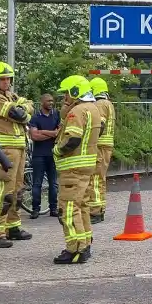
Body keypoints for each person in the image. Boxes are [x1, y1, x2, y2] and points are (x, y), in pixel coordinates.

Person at [0, 62, 35, 248]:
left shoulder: (10, 96)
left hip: (19, 148)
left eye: (8, 79)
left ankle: (13, 226)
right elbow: (19, 114)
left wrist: (23, 108)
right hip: (5, 149)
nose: (6, 82)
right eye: (2, 79)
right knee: (5, 191)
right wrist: (22, 109)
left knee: (18, 189)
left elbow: (30, 106)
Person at [53, 75, 101, 265]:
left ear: (75, 91)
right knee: (82, 206)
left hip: (73, 167)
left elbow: (72, 139)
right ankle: (86, 243)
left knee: (69, 208)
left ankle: (74, 249)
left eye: (66, 93)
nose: (65, 97)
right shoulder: (94, 109)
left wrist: (57, 150)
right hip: (87, 166)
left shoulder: (77, 111)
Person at [85, 77, 115, 224]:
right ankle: (100, 208)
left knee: (95, 179)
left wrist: (90, 140)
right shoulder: (108, 103)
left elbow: (100, 125)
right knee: (100, 179)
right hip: (106, 146)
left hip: (100, 146)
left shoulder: (100, 104)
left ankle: (95, 211)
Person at [27, 92, 61, 219]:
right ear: (42, 103)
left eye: (52, 101)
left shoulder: (56, 115)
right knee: (37, 184)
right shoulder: (35, 118)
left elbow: (59, 133)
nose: (51, 103)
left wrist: (43, 132)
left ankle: (53, 208)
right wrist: (52, 133)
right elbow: (34, 136)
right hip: (39, 155)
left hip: (52, 154)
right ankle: (35, 209)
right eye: (48, 101)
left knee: (53, 183)